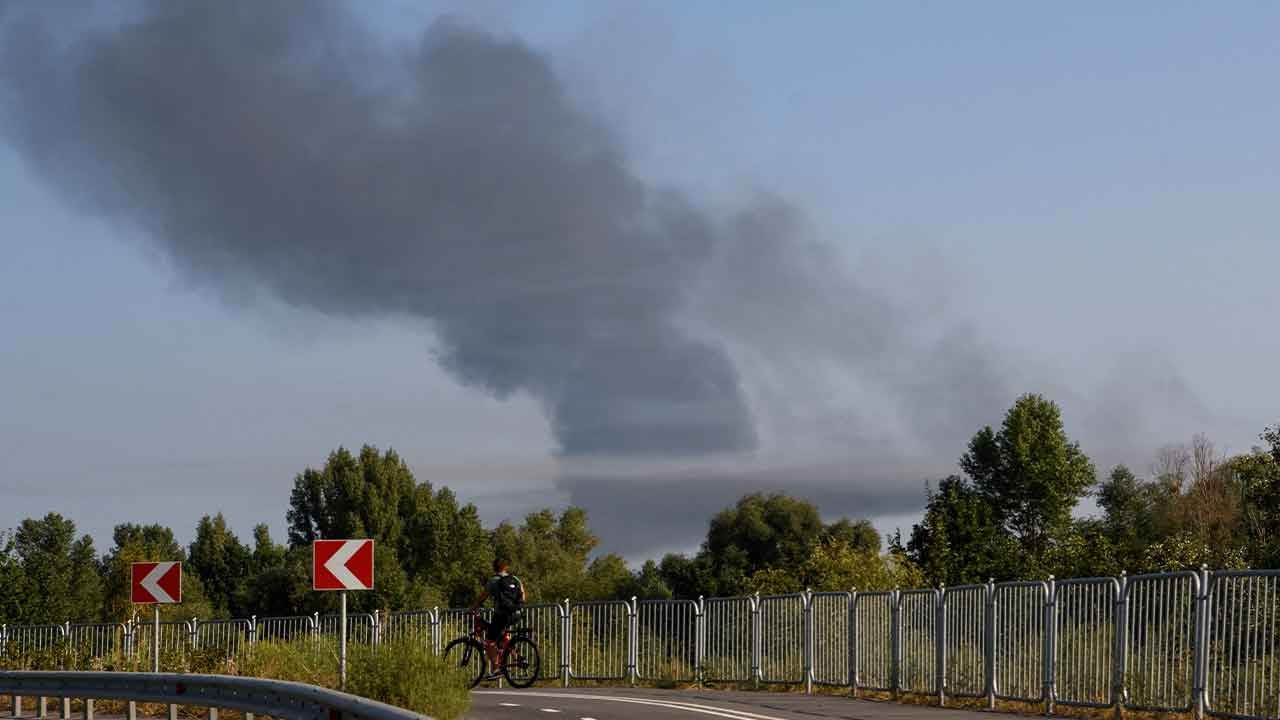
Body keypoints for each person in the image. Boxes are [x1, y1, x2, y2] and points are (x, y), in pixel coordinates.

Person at [468, 558, 525, 679]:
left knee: (490, 641)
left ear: (494, 568)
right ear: (506, 567)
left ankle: (496, 669)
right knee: (502, 635)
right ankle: (518, 658)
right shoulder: (515, 579)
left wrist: (472, 608)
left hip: (502, 614)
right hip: (517, 613)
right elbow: (523, 596)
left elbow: (482, 598)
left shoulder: (493, 581)